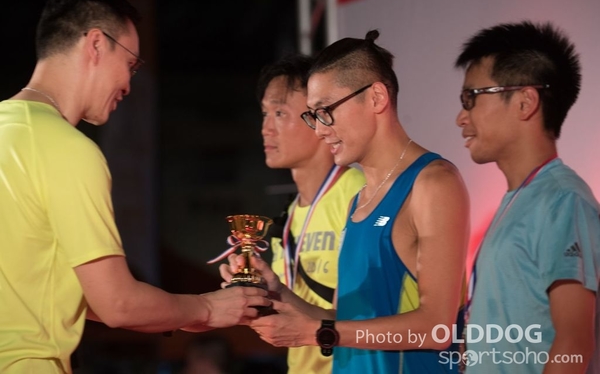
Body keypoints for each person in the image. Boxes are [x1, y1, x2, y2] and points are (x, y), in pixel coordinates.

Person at [0, 0, 268, 373]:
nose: (128, 84)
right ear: (96, 44)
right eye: (130, 63)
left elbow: (54, 291)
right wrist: (208, 307)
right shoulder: (65, 147)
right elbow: (117, 304)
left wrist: (178, 312)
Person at [222, 30, 470, 373]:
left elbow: (436, 328)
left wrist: (318, 333)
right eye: (312, 115)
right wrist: (279, 293)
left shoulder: (433, 182)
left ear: (376, 98)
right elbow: (345, 320)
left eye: (325, 111)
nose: (320, 129)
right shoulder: (359, 200)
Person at [454, 21, 600, 373]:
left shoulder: (563, 201)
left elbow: (574, 343)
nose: (461, 117)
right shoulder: (521, 200)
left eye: (471, 98)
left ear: (525, 102)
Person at [257, 54, 365, 373]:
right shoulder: (287, 217)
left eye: (279, 113)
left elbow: (376, 317)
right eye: (264, 114)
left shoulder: (358, 194)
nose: (266, 129)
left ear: (318, 116)